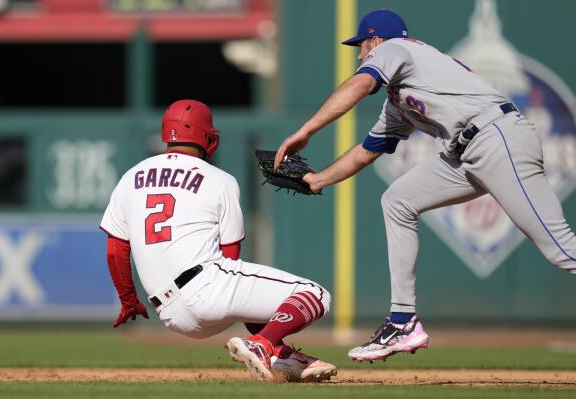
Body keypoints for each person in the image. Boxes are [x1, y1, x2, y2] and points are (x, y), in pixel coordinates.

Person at [275, 9, 576, 362]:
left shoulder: (395, 49)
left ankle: (402, 321)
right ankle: (403, 321)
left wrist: (306, 131)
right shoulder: (400, 99)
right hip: (469, 153)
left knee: (560, 248)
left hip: (498, 138)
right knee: (398, 201)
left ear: (375, 40)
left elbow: (360, 83)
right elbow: (368, 151)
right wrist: (316, 180)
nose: (360, 54)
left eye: (362, 46)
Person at [100, 99, 336, 381]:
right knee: (316, 295)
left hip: (168, 312)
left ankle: (282, 356)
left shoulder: (131, 177)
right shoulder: (219, 179)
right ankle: (262, 344)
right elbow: (230, 255)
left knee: (248, 290)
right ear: (206, 136)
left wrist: (128, 301)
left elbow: (116, 250)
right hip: (205, 288)